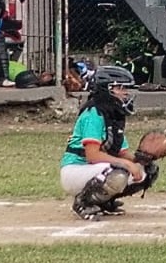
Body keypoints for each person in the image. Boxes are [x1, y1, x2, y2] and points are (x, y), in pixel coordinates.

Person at [60, 65, 159, 220]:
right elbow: (92, 155)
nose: (126, 93)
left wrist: (144, 158)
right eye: (121, 88)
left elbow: (122, 152)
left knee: (147, 171)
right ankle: (83, 202)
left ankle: (102, 201)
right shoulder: (93, 113)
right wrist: (126, 164)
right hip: (76, 170)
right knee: (118, 172)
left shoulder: (112, 114)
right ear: (109, 89)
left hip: (94, 170)